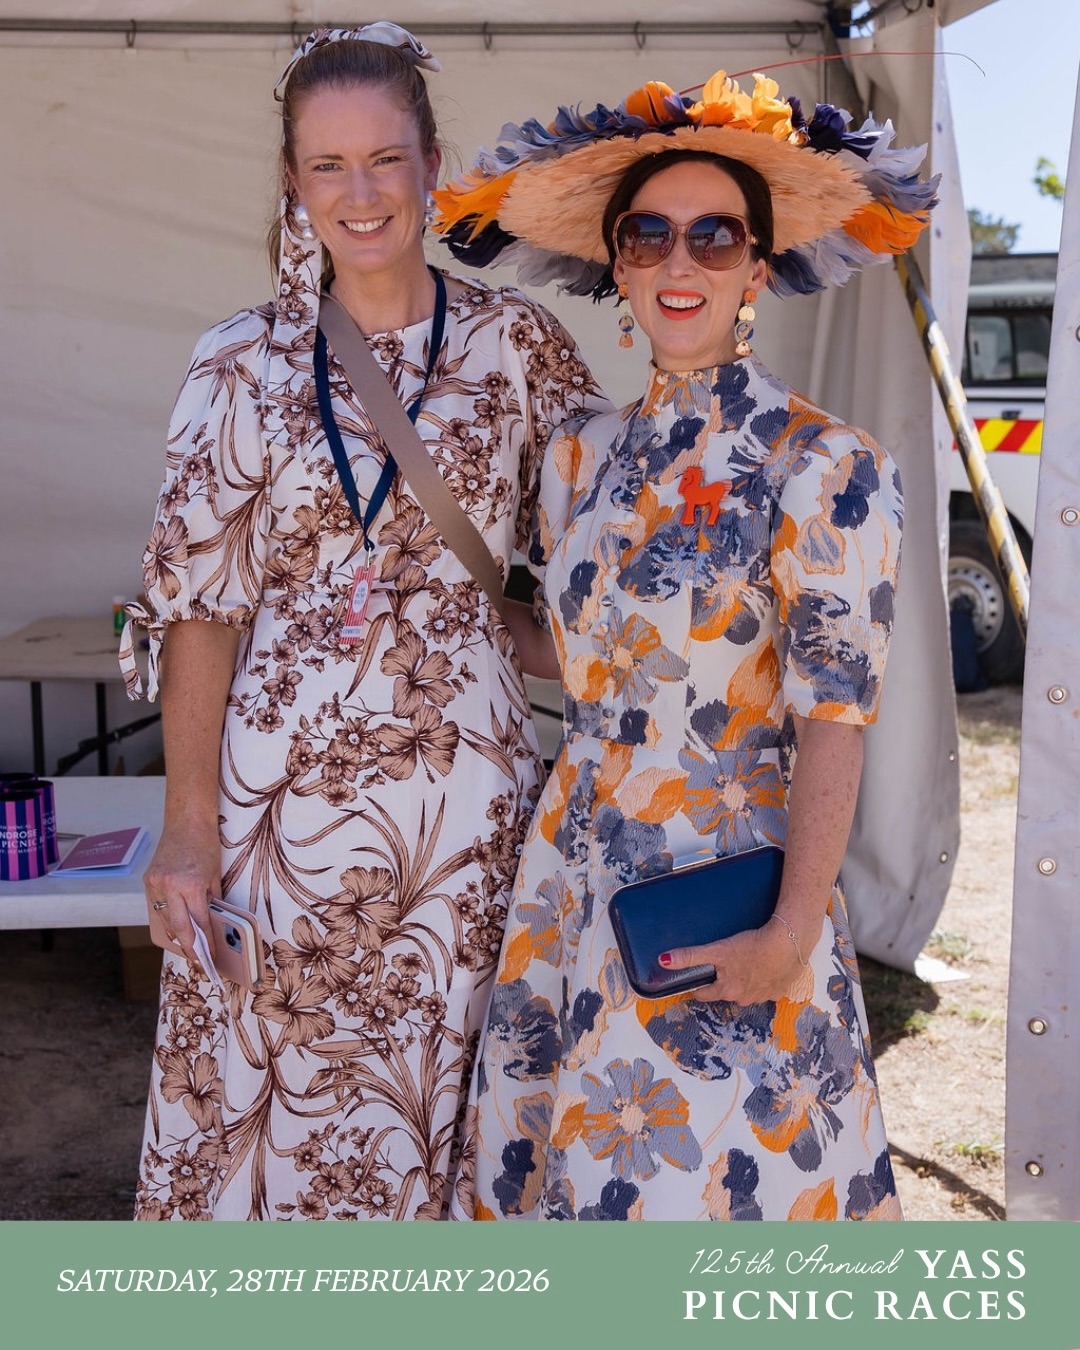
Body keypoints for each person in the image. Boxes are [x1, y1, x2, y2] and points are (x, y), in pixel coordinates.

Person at [432, 65, 938, 1220]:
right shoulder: (578, 458)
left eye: (716, 237)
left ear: (760, 266)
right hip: (574, 877)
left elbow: (835, 721)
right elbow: (591, 657)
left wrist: (789, 935)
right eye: (649, 235)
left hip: (725, 890)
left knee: (702, 1204)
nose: (679, 262)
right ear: (616, 261)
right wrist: (427, 616)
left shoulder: (827, 467)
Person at [118, 23, 605, 1221]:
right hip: (275, 819)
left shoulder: (520, 347)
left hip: (466, 818)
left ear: (431, 159)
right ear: (292, 179)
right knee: (272, 1116)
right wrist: (187, 829)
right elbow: (200, 613)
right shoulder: (236, 363)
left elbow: (612, 566)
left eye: (385, 158)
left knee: (444, 1117)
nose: (361, 192)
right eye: (328, 165)